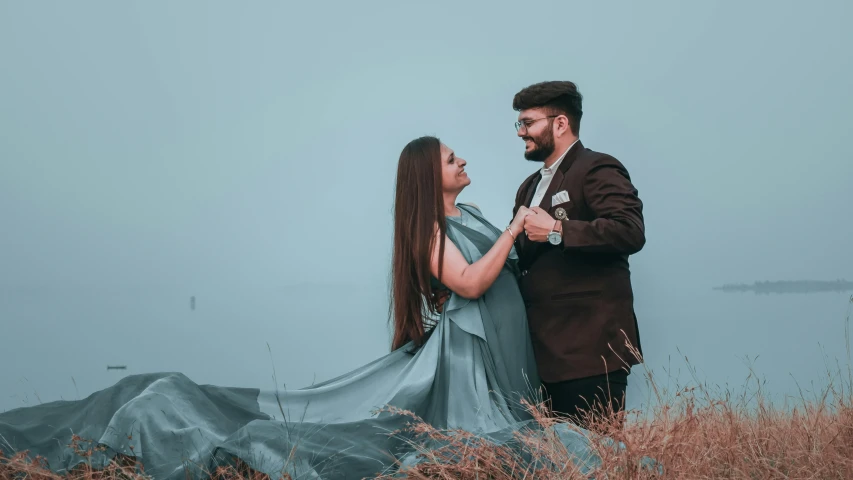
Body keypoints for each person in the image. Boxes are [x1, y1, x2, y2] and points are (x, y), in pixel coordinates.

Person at [0, 136, 603, 480]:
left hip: (503, 349)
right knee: (371, 428)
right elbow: (470, 284)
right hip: (468, 358)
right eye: (451, 159)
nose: (463, 160)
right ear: (429, 178)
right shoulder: (428, 232)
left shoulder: (465, 216)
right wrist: (516, 229)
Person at [511, 81, 646, 429]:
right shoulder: (528, 187)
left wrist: (558, 231)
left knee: (598, 462)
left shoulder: (597, 168)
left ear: (560, 123)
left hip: (592, 353)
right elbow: (520, 260)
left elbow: (629, 230)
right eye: (520, 124)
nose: (521, 133)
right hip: (542, 355)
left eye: (528, 123)